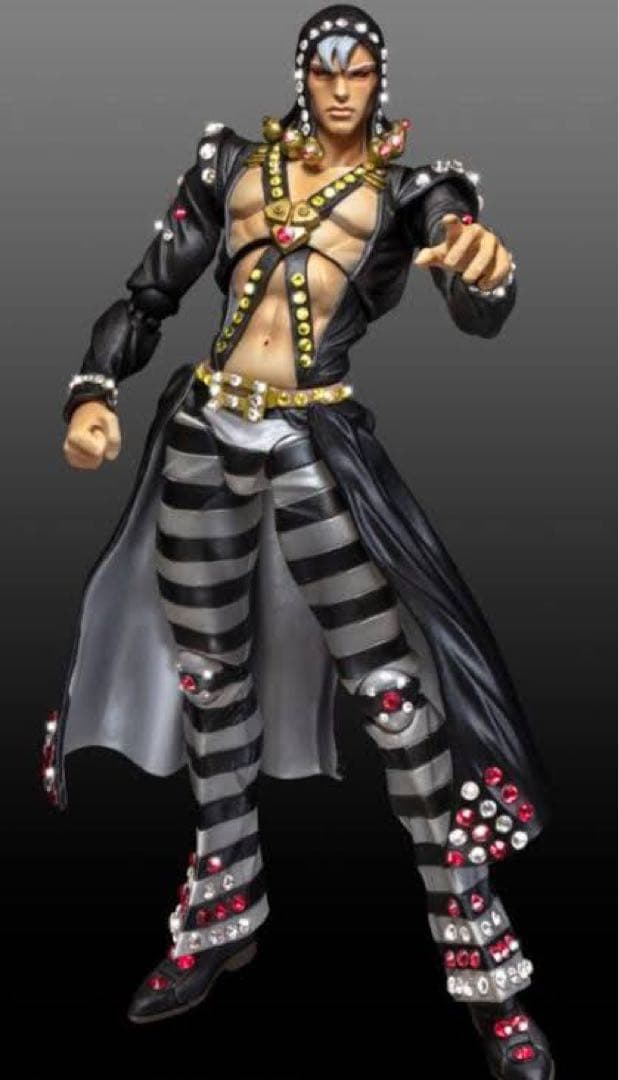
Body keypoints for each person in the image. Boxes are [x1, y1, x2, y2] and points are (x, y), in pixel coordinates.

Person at [45, 5, 554, 1074]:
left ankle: (482, 962)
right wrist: (94, 390)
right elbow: (147, 294)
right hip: (201, 435)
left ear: (378, 79)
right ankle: (223, 906)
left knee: (399, 706)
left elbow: (474, 294)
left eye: (358, 71)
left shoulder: (413, 192)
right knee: (207, 684)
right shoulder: (230, 165)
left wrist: (484, 270)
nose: (340, 89)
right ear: (301, 76)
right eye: (325, 71)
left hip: (311, 443)